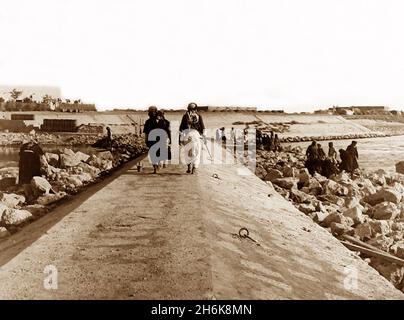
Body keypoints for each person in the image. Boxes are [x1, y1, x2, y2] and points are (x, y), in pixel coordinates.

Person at [179, 102, 205, 174]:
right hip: (195, 135)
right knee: (196, 152)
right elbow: (202, 128)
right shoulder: (198, 116)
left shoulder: (186, 116)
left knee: (188, 152)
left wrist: (180, 138)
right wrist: (203, 136)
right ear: (196, 109)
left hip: (188, 135)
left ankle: (189, 167)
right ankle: (193, 167)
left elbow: (181, 128)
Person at [143, 106, 160, 174]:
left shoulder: (147, 122)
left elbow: (146, 132)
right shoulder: (159, 120)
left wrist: (146, 140)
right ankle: (156, 165)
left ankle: (155, 166)